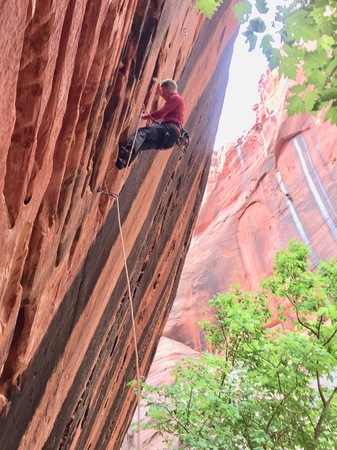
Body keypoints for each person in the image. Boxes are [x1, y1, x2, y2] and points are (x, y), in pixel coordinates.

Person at [116, 78, 185, 169]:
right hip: (170, 140)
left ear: (169, 86)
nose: (163, 93)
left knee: (142, 132)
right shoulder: (175, 99)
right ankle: (124, 162)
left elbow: (161, 113)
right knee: (143, 143)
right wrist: (159, 87)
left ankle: (129, 151)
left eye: (164, 90)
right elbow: (164, 96)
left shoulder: (175, 98)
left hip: (171, 130)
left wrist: (145, 117)